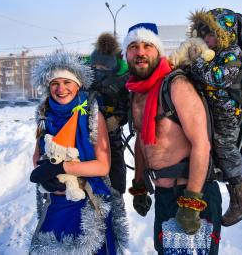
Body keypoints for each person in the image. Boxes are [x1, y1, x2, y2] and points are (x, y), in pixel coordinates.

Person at [123, 23, 222, 254]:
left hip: (192, 193)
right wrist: (139, 185)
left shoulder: (176, 85)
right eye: (133, 47)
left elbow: (201, 144)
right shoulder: (137, 92)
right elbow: (142, 141)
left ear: (158, 51)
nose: (140, 52)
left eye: (147, 45)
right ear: (126, 54)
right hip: (165, 195)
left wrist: (192, 203)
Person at [29, 51, 127, 254]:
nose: (61, 88)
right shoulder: (44, 114)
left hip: (88, 203)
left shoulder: (92, 114)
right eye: (55, 83)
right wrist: (46, 175)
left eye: (67, 82)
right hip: (56, 202)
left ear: (78, 85)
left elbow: (102, 166)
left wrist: (62, 167)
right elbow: (38, 156)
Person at [186, 8, 242, 226]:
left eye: (211, 35)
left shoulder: (232, 53)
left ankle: (241, 199)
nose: (207, 40)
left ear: (225, 33)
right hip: (213, 108)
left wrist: (196, 62)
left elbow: (217, 78)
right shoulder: (216, 53)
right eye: (204, 35)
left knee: (224, 145)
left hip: (226, 111)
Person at [89, 32, 130, 195]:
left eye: (103, 68)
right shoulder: (86, 81)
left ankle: (116, 197)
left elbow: (127, 105)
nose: (99, 70)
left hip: (112, 135)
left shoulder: (122, 81)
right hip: (88, 134)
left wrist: (118, 117)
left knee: (115, 172)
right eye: (96, 67)